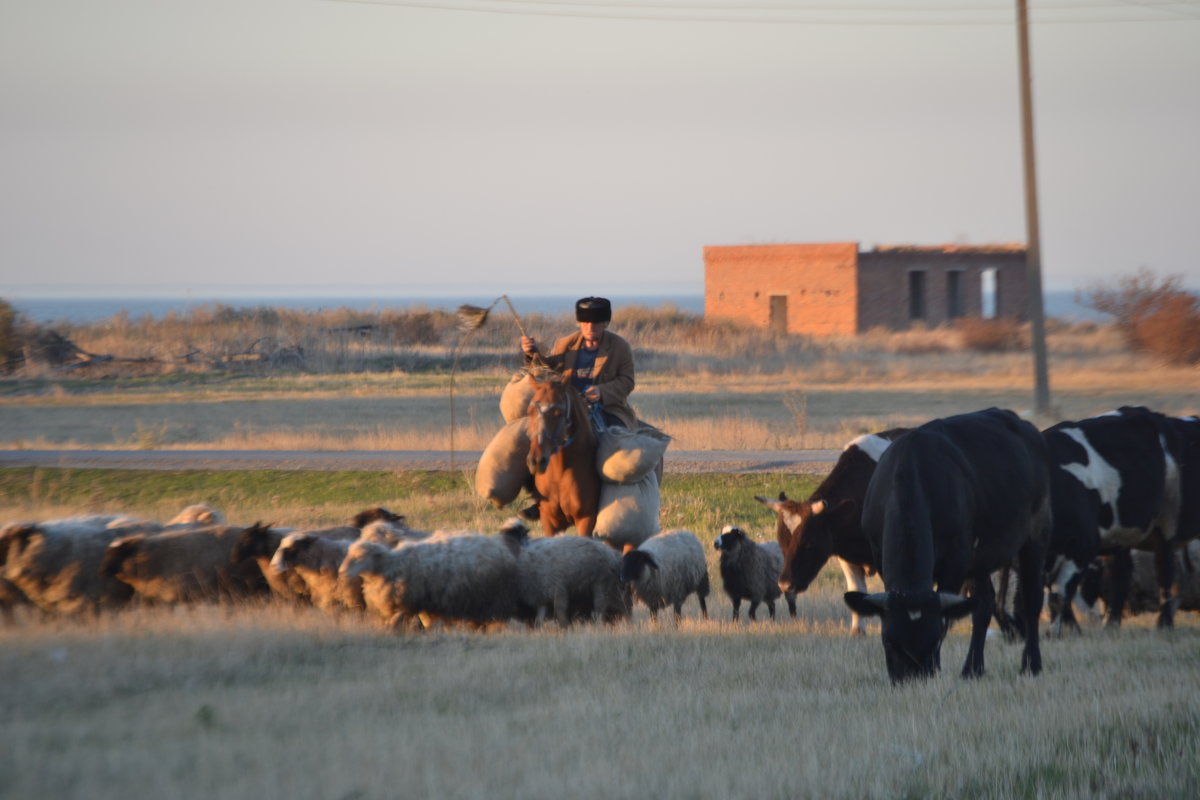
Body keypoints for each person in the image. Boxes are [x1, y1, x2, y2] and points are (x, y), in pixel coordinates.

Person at [521, 296, 637, 430]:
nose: (590, 327)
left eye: (595, 323)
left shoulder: (620, 346)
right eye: (585, 323)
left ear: (605, 323)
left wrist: (601, 391)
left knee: (615, 440)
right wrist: (532, 353)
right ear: (579, 323)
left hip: (606, 409)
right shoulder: (565, 344)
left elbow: (627, 381)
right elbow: (546, 369)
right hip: (567, 407)